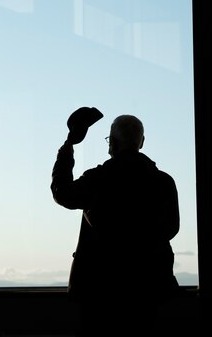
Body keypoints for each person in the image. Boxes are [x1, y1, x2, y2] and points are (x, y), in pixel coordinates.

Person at [50, 112, 180, 334]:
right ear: (142, 142)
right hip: (148, 286)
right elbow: (171, 228)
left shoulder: (97, 180)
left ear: (113, 143)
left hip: (99, 289)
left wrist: (68, 146)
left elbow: (62, 193)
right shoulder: (163, 182)